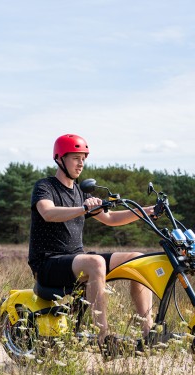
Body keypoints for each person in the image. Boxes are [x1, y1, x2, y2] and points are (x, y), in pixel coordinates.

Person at [28, 134, 154, 353]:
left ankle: (148, 334)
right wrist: (84, 208)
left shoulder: (79, 191)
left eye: (83, 158)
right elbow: (48, 213)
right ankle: (102, 338)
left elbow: (111, 219)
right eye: (76, 157)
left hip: (76, 260)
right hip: (48, 263)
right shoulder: (45, 186)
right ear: (60, 159)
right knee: (95, 262)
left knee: (137, 259)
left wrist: (146, 212)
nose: (81, 163)